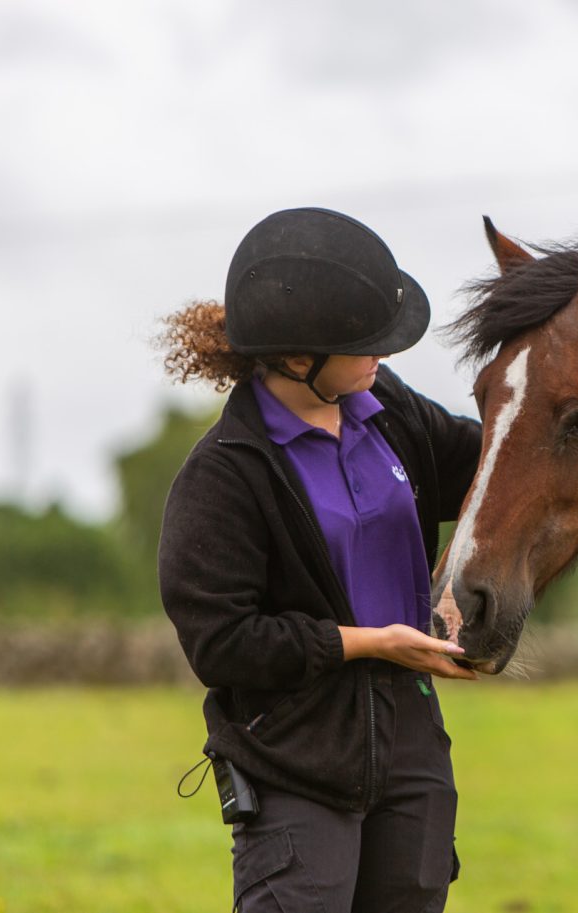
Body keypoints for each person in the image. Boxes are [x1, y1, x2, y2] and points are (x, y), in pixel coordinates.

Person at [157, 207, 482, 913]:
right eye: (364, 342)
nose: (383, 355)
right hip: (295, 756)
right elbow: (222, 642)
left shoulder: (386, 406)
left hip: (411, 740)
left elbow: (493, 470)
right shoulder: (223, 476)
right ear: (298, 357)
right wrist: (372, 643)